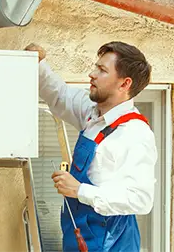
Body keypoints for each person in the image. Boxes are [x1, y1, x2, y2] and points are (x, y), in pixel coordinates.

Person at [25, 41, 158, 252]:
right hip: (79, 236)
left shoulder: (134, 134)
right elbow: (59, 95)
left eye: (102, 70)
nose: (91, 74)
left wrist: (79, 190)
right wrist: (38, 64)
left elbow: (141, 200)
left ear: (124, 84)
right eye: (96, 67)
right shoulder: (92, 113)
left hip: (111, 243)